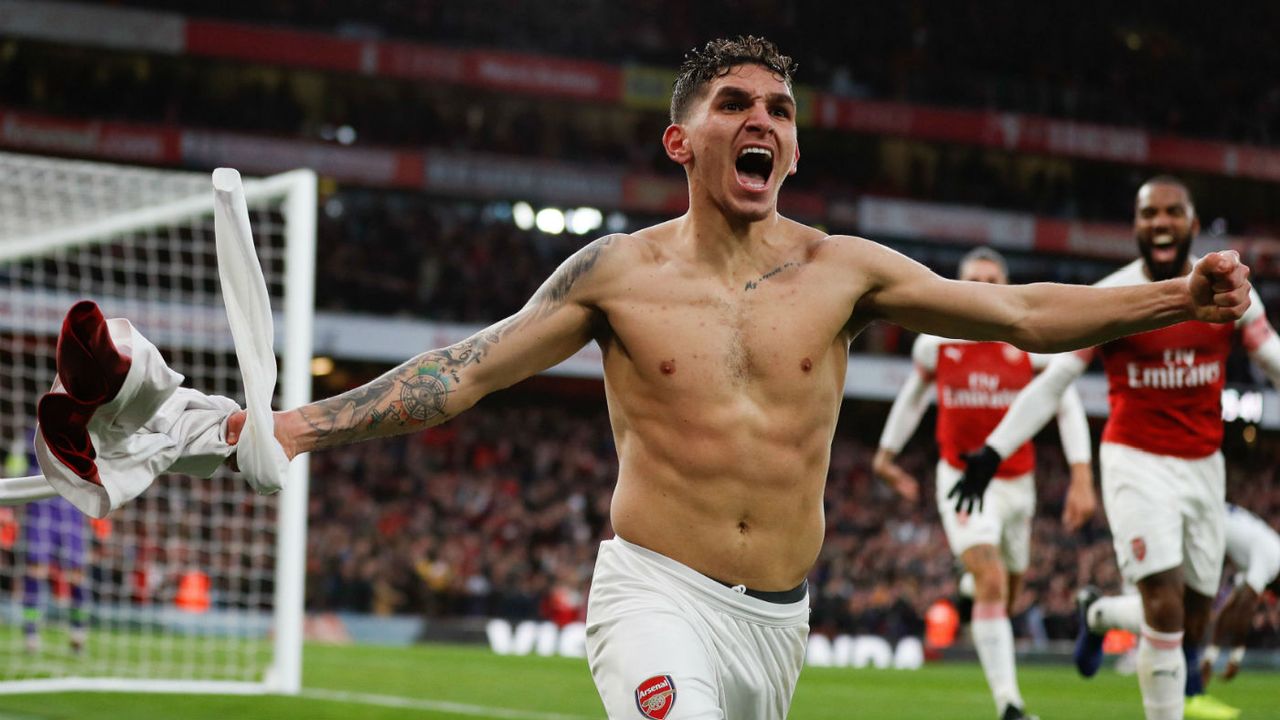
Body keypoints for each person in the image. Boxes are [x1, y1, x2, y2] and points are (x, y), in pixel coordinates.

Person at [218, 40, 1251, 720]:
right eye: (732, 103)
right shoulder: (614, 272)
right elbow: (466, 370)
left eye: (779, 108)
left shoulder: (845, 268)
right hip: (652, 594)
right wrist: (299, 428)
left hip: (777, 626)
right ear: (682, 139)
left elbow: (1022, 315)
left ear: (791, 149)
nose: (760, 117)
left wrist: (1176, 302)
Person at [950, 176, 1280, 720]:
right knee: (1166, 609)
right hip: (1135, 460)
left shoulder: (1227, 289)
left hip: (1204, 466)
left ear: (1192, 225)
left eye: (1173, 212)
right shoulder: (1114, 298)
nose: (1161, 223)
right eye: (1150, 214)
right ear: (1136, 227)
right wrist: (994, 450)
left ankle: (1099, 614)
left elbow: (1269, 355)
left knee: (1192, 624)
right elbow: (1053, 381)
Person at [873, 245, 1096, 720]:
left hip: (1019, 483)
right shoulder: (935, 342)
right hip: (961, 479)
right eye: (974, 278)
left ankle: (975, 590)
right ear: (958, 285)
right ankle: (1010, 707)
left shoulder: (1030, 343)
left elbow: (1066, 402)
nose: (983, 287)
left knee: (1009, 594)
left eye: (993, 280)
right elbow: (913, 399)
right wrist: (886, 456)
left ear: (1006, 287)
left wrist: (1080, 473)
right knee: (993, 581)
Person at [4, 434, 89, 656]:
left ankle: (78, 633)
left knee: (76, 573)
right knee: (36, 569)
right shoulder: (29, 434)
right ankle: (31, 634)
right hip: (41, 502)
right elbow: (13, 471)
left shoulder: (79, 429)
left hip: (70, 501)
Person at [1200, 502, 1280, 687]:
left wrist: (1211, 659)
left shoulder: (1263, 557)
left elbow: (1230, 609)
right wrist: (1236, 658)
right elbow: (1244, 608)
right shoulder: (1272, 559)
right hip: (1203, 516)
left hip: (1208, 514)